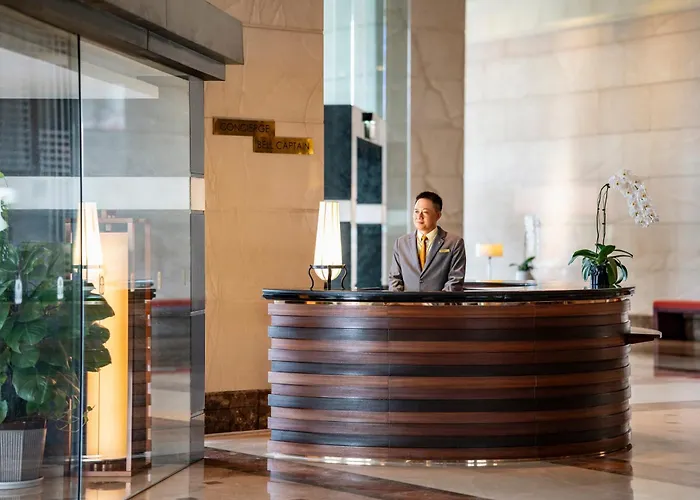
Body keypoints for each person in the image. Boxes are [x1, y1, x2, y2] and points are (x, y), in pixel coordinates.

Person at [389, 191, 466, 292]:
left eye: (425, 212)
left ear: (438, 215)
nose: (419, 216)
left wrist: (434, 301)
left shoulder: (454, 243)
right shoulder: (401, 243)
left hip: (441, 302)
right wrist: (399, 300)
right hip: (407, 302)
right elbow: (395, 279)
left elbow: (455, 281)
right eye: (416, 211)